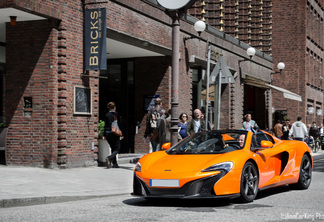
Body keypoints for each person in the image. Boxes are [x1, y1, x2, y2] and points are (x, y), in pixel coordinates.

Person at [104, 102, 123, 168]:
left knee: (113, 148)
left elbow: (105, 125)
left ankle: (115, 164)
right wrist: (121, 133)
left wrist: (104, 135)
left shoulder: (107, 115)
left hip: (108, 133)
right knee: (117, 148)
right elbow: (119, 124)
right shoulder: (116, 114)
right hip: (114, 133)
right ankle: (109, 158)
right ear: (114, 107)